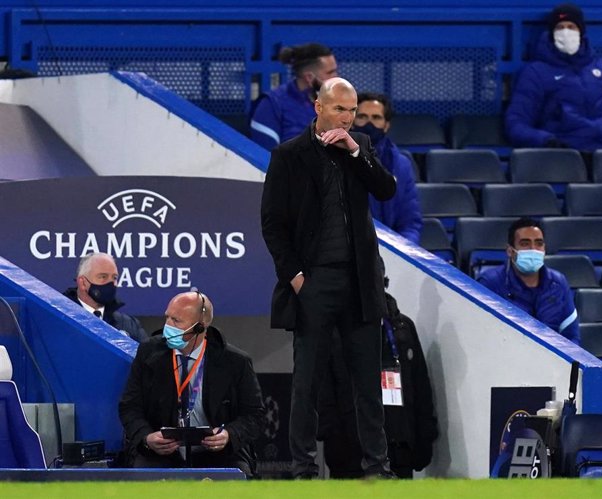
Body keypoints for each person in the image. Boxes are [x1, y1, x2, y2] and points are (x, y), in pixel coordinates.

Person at [260, 77, 397, 479]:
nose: (349, 117)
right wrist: (296, 277)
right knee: (307, 383)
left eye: (353, 110)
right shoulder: (289, 155)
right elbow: (273, 224)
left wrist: (356, 152)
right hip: (314, 281)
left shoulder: (362, 148)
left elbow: (387, 190)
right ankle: (303, 468)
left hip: (359, 283)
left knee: (368, 385)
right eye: (341, 109)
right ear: (318, 108)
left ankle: (377, 467)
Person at [118, 291, 265, 474]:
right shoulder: (148, 353)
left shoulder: (235, 362)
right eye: (168, 317)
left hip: (219, 454)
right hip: (160, 453)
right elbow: (129, 407)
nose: (167, 326)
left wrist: (229, 435)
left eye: (176, 321)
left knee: (234, 477)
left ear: (199, 327)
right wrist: (147, 437)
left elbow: (254, 416)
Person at [318, 287, 439, 479]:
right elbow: (323, 395)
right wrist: (335, 440)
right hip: (350, 458)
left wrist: (423, 440)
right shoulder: (332, 331)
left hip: (398, 453)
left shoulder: (403, 328)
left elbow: (420, 388)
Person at [505, 3, 602, 152]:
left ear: (580, 32)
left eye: (571, 27)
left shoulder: (601, 67)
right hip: (562, 158)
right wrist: (546, 141)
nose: (565, 32)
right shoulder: (535, 72)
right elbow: (516, 123)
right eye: (560, 27)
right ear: (551, 33)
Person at [476, 218, 580, 345]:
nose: (533, 249)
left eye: (538, 243)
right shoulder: (490, 283)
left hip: (551, 361)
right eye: (525, 244)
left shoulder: (558, 283)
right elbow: (483, 335)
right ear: (510, 251)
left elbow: (572, 337)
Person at [351, 92, 422, 244]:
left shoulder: (400, 165)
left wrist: (402, 255)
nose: (369, 123)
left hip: (389, 255)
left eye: (376, 118)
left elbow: (410, 223)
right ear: (351, 120)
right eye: (362, 117)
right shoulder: (330, 159)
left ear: (386, 125)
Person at [250, 42, 338, 150]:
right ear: (309, 77)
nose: (336, 77)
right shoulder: (272, 104)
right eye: (330, 73)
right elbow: (264, 157)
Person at [64, 252, 148, 342]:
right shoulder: (61, 318)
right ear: (83, 283)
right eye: (103, 277)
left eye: (114, 278)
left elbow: (148, 355)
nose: (111, 283)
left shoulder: (129, 325)